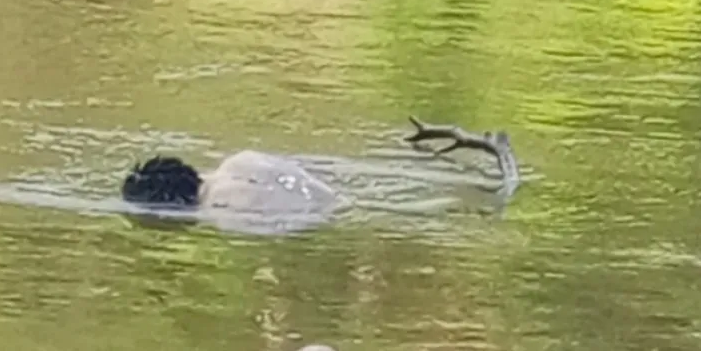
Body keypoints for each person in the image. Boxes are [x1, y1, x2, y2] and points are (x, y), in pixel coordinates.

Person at [121, 116, 519, 222]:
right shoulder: (238, 160)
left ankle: (464, 203)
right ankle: (470, 199)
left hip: (325, 214)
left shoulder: (222, 212)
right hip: (334, 198)